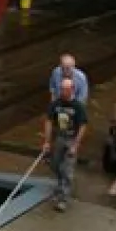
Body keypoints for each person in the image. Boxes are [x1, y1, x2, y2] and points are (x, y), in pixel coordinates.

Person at [42, 77, 87, 211]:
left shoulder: (78, 106)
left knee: (67, 170)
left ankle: (63, 199)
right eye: (61, 89)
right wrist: (47, 141)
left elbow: (83, 126)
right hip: (59, 138)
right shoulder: (55, 104)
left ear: (72, 89)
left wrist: (75, 145)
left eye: (65, 89)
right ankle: (60, 187)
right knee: (56, 165)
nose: (62, 91)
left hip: (71, 139)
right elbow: (49, 121)